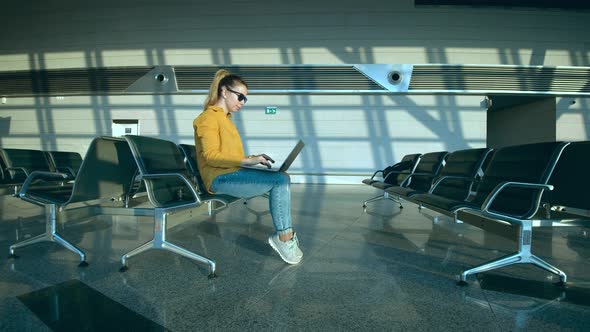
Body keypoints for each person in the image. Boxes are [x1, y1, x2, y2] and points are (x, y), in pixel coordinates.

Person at [193, 69, 303, 264]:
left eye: (246, 99)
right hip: (219, 179)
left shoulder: (226, 120)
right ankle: (284, 238)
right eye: (240, 96)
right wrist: (247, 161)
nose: (243, 102)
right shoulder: (208, 118)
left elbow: (230, 156)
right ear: (224, 92)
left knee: (282, 177)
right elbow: (210, 156)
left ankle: (284, 236)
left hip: (232, 173)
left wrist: (253, 158)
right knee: (280, 181)